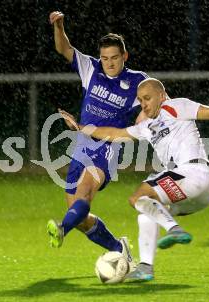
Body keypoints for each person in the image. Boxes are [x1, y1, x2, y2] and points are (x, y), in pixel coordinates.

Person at [59, 78, 209, 280]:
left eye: (147, 98)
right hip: (195, 192)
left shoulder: (175, 106)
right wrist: (80, 128)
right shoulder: (146, 127)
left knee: (139, 195)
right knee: (145, 212)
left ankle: (174, 229)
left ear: (161, 96)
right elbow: (115, 134)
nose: (143, 104)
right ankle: (146, 268)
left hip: (196, 174)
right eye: (140, 100)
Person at [46, 11, 148, 262]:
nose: (109, 63)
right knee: (78, 213)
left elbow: (155, 101)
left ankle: (61, 229)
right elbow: (64, 48)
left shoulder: (138, 82)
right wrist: (58, 26)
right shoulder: (91, 68)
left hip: (107, 147)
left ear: (125, 56)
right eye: (105, 58)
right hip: (82, 145)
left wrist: (143, 122)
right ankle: (118, 249)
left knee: (84, 193)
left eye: (114, 58)